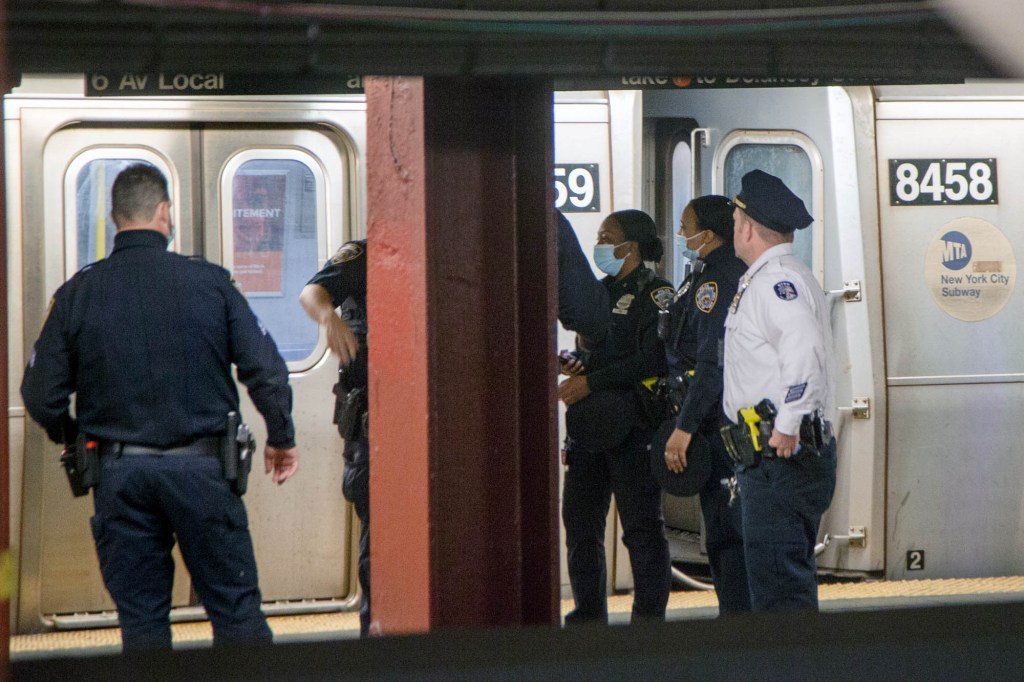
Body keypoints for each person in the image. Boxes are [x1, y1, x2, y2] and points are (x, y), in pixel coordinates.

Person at [20, 163, 300, 650]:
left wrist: (73, 438)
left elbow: (40, 395)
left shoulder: (77, 293)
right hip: (204, 473)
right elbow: (266, 369)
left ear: (114, 218)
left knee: (143, 623)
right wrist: (281, 437)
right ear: (165, 212)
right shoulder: (211, 283)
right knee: (236, 613)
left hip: (119, 475)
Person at [722, 169, 837, 612]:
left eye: (735, 222)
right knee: (776, 585)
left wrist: (786, 426)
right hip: (774, 460)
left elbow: (804, 354)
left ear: (748, 227)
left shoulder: (775, 282)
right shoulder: (780, 275)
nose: (734, 230)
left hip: (781, 458)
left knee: (779, 596)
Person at [558, 209, 673, 624]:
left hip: (632, 427)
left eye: (608, 237)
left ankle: (648, 624)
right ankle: (587, 619)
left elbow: (653, 358)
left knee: (641, 530)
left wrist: (592, 381)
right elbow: (597, 356)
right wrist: (578, 365)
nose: (600, 244)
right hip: (589, 431)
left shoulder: (657, 293)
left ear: (632, 246)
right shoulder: (596, 294)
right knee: (580, 527)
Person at [661, 195, 752, 614]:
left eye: (686, 226)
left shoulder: (718, 280)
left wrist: (686, 425)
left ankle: (738, 626)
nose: (682, 235)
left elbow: (710, 363)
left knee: (725, 534)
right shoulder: (703, 275)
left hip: (715, 424)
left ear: (710, 235)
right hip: (708, 418)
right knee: (720, 532)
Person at [299, 239, 371, 636]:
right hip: (371, 425)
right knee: (377, 542)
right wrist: (329, 317)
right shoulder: (364, 254)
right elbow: (311, 292)